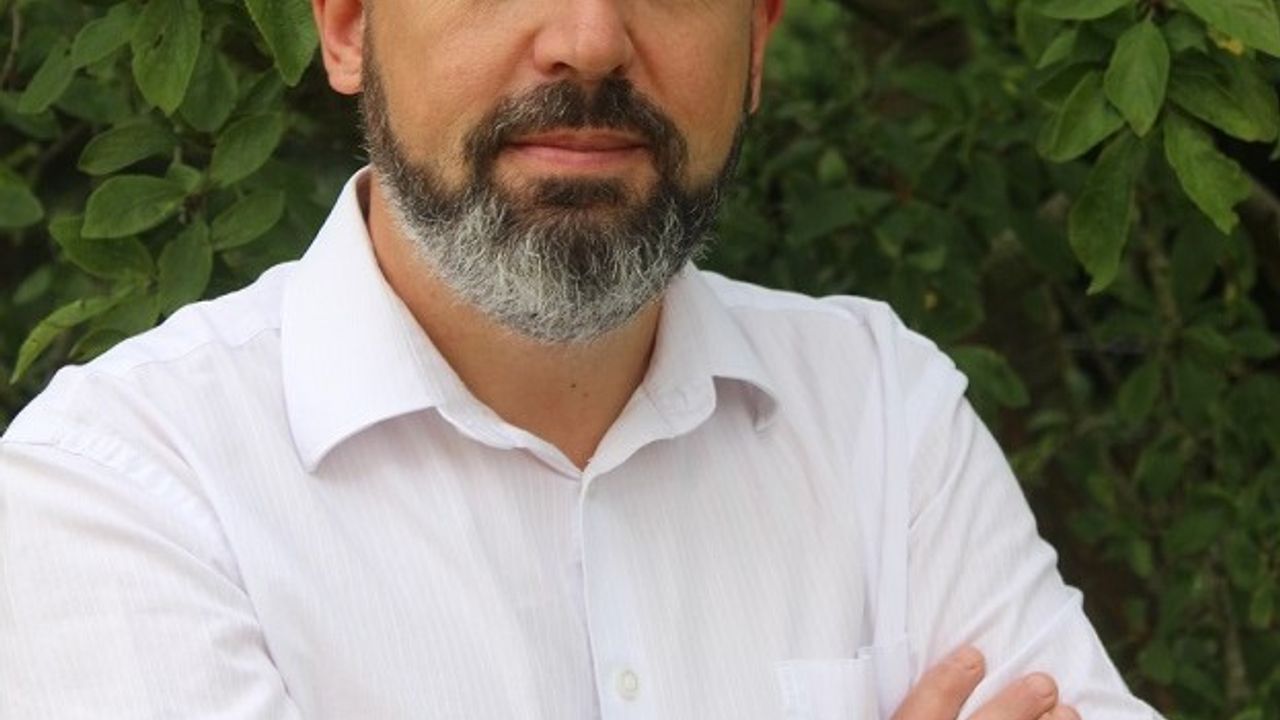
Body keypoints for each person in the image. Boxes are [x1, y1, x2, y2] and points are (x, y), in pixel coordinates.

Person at [0, 0, 1162, 718]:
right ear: (348, 25)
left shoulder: (879, 407)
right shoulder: (122, 486)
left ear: (756, 43)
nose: (590, 39)